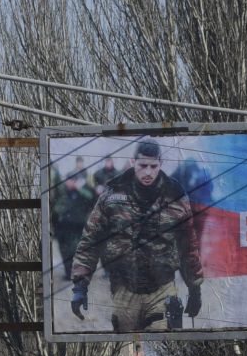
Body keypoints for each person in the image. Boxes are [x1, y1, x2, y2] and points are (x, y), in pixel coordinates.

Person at [70, 139, 203, 335]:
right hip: (124, 289)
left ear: (160, 164)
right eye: (143, 166)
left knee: (164, 339)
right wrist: (80, 285)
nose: (148, 172)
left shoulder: (175, 196)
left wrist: (195, 289)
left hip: (162, 288)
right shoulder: (113, 194)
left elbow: (188, 245)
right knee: (126, 343)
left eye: (153, 166)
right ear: (133, 163)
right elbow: (91, 239)